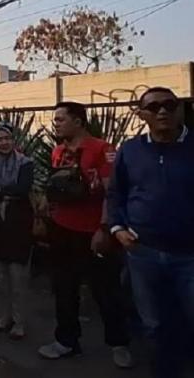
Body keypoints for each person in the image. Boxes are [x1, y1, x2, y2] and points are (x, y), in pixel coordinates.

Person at [37, 102, 132, 368]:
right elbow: (56, 187)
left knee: (106, 291)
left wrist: (104, 228)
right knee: (64, 289)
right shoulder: (58, 151)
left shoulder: (102, 149)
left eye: (60, 119)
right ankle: (67, 341)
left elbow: (111, 193)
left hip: (93, 232)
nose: (55, 124)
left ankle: (119, 343)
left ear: (78, 121)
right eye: (54, 120)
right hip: (62, 230)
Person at [108, 87, 194, 378]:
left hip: (189, 256)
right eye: (154, 106)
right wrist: (117, 228)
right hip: (143, 254)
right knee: (154, 324)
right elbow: (115, 194)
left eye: (170, 105)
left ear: (180, 109)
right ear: (141, 113)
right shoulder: (130, 151)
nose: (162, 112)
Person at [0, 124, 34, 340]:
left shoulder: (25, 163)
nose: (4, 143)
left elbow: (23, 188)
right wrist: (4, 192)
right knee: (1, 275)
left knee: (18, 276)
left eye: (8, 138)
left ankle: (19, 322)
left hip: (18, 223)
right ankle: (5, 316)